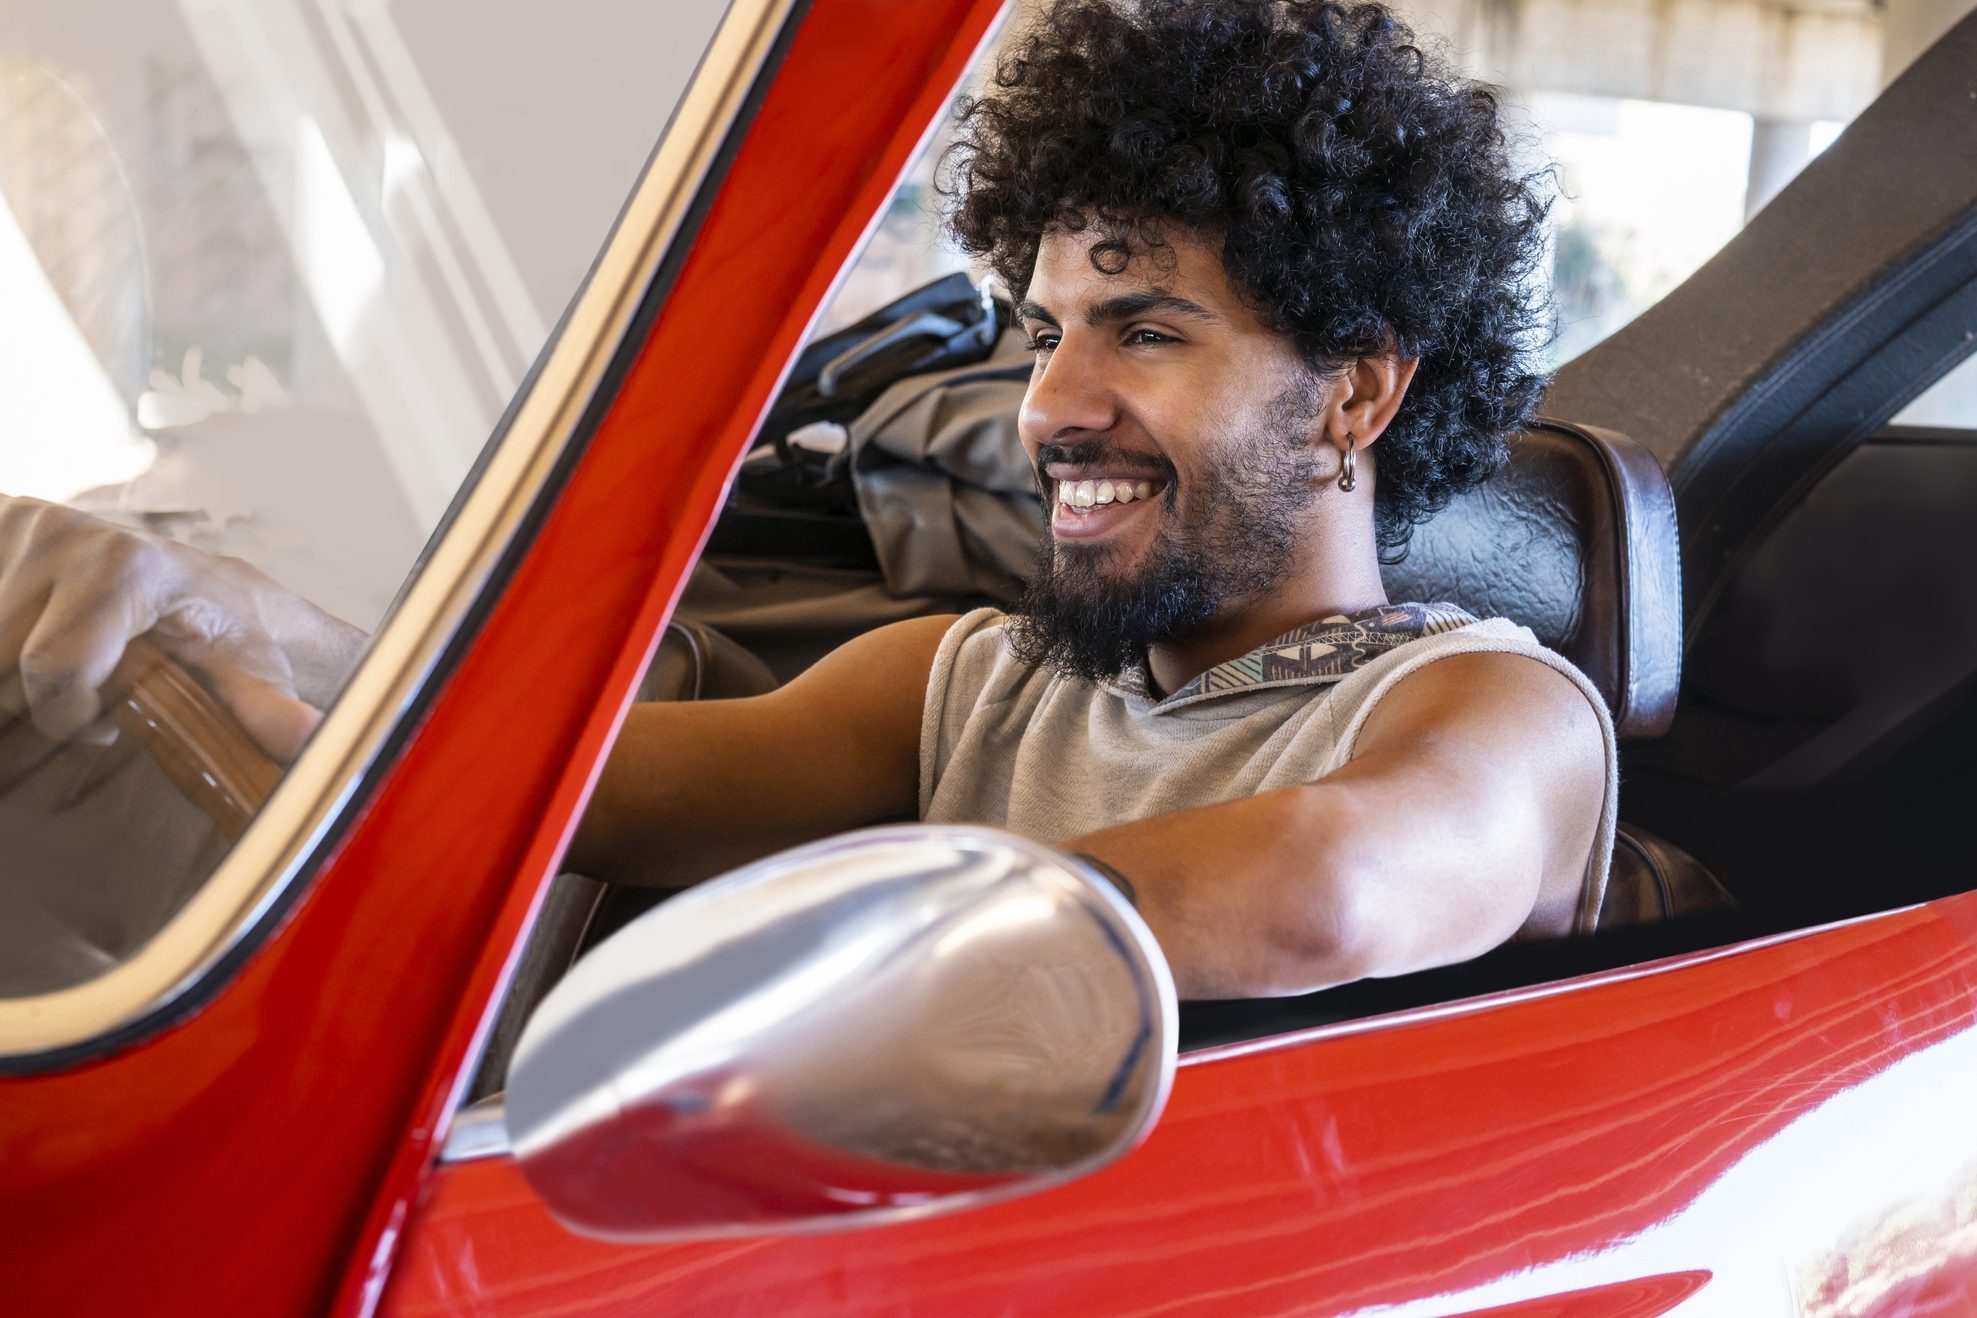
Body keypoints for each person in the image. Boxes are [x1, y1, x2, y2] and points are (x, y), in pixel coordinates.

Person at [0, 0, 1609, 1001]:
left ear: (1352, 393)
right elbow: (550, 787)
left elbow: (1329, 894)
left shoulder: (1491, 711)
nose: (1053, 400)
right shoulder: (973, 683)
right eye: (1047, 330)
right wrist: (211, 614)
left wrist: (769, 977)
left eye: (1148, 330)